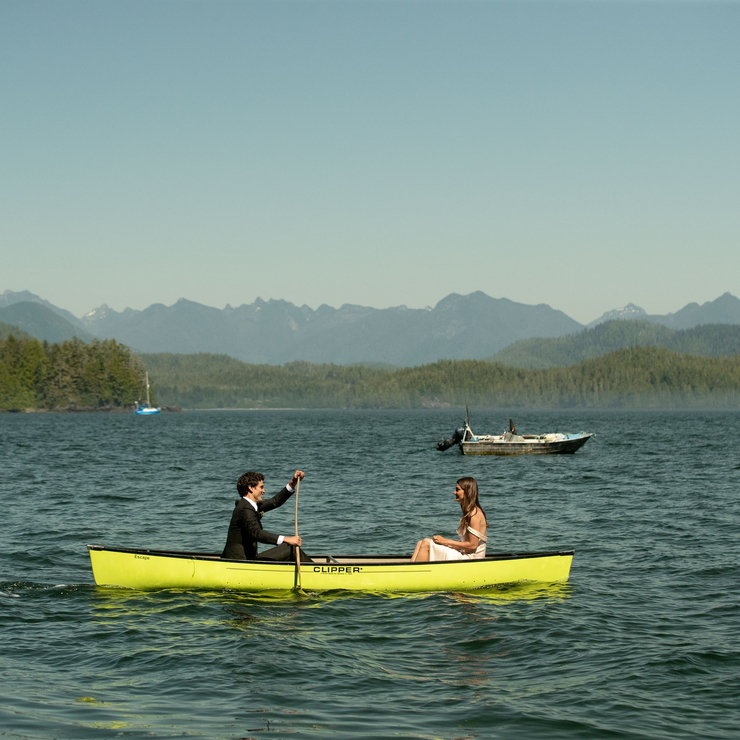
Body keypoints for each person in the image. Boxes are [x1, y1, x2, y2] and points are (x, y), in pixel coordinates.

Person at [221, 469, 310, 561]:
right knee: (292, 549)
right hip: (240, 561)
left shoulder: (251, 505)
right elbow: (257, 533)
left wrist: (293, 482)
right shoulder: (245, 509)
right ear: (251, 488)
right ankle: (318, 572)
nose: (264, 491)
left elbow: (275, 501)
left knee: (290, 549)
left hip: (250, 558)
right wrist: (286, 539)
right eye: (261, 487)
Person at [411, 477, 487, 562]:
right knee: (420, 543)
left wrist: (445, 541)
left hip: (471, 559)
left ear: (467, 492)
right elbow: (466, 543)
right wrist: (446, 544)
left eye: (457, 490)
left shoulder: (474, 514)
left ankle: (416, 573)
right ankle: (409, 571)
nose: (454, 492)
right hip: (465, 554)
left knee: (426, 543)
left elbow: (473, 545)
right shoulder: (469, 513)